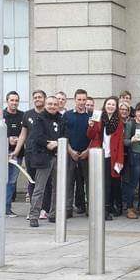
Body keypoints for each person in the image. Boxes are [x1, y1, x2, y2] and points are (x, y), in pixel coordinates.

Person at [13, 90, 51, 220]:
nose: (37, 99)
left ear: (44, 99)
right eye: (35, 97)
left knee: (45, 182)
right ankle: (34, 208)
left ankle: (44, 209)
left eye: (40, 97)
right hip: (30, 153)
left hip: (45, 153)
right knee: (32, 181)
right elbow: (23, 134)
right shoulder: (27, 115)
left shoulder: (49, 114)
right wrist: (16, 151)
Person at [28, 96, 65, 227]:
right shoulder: (39, 118)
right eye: (50, 104)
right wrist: (47, 143)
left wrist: (58, 142)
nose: (52, 106)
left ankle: (54, 214)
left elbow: (65, 135)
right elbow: (37, 136)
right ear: (45, 104)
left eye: (55, 104)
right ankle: (34, 216)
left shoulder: (61, 119)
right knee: (40, 188)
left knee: (58, 188)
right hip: (44, 157)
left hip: (58, 156)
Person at [87, 96, 125, 221]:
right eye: (109, 104)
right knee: (98, 183)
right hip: (98, 155)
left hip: (111, 156)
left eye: (113, 105)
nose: (110, 106)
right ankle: (96, 209)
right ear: (105, 105)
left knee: (109, 184)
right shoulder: (98, 117)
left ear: (116, 107)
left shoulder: (118, 122)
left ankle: (106, 209)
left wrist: (119, 160)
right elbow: (90, 135)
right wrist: (91, 125)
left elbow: (120, 143)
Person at [0, 91, 24, 217]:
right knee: (1, 180)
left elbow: (27, 133)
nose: (14, 103)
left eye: (16, 100)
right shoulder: (0, 115)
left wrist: (19, 140)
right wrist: (8, 139)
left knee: (12, 181)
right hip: (2, 153)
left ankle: (7, 208)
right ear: (7, 101)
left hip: (17, 153)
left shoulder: (23, 115)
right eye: (12, 100)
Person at [63, 89, 91, 216]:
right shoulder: (67, 115)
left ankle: (91, 208)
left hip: (87, 154)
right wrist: (70, 150)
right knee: (69, 182)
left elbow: (96, 136)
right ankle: (68, 209)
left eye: (84, 100)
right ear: (74, 100)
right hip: (70, 153)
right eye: (79, 99)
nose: (81, 102)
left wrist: (88, 150)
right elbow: (63, 135)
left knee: (90, 182)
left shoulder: (92, 116)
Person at [123, 102, 140, 219]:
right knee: (133, 183)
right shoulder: (131, 124)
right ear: (135, 113)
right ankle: (129, 207)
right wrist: (132, 140)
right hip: (135, 156)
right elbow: (125, 141)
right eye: (139, 111)